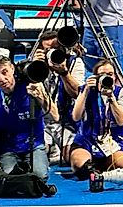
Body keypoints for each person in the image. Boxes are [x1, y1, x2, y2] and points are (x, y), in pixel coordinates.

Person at [0, 55, 57, 180]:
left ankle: (46, 153)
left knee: (40, 177)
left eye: (5, 72)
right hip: (7, 148)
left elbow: (55, 116)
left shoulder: (32, 86)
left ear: (12, 69)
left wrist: (41, 97)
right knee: (9, 178)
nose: (2, 79)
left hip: (33, 145)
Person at [70, 59, 123, 180]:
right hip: (87, 139)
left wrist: (111, 98)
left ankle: (103, 167)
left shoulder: (121, 92)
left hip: (114, 140)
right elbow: (76, 116)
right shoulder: (85, 90)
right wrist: (86, 91)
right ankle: (94, 168)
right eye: (101, 75)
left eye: (110, 74)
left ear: (115, 76)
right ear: (95, 77)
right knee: (80, 164)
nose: (106, 78)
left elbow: (121, 121)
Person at [35, 30, 86, 165]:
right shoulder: (36, 65)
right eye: (48, 50)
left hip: (66, 121)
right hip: (41, 121)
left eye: (56, 49)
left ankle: (57, 151)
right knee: (39, 153)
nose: (52, 53)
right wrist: (36, 67)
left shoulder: (75, 62)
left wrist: (64, 73)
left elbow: (76, 93)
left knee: (73, 157)